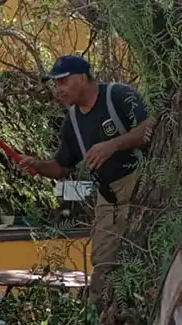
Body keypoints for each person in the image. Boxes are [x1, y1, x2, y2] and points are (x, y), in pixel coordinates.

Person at [17, 55, 153, 307]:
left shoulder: (119, 96)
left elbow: (149, 129)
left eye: (63, 82)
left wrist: (113, 145)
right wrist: (36, 164)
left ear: (83, 77)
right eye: (55, 84)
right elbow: (60, 168)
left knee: (147, 257)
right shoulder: (73, 121)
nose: (58, 89)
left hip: (142, 186)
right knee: (103, 263)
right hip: (108, 197)